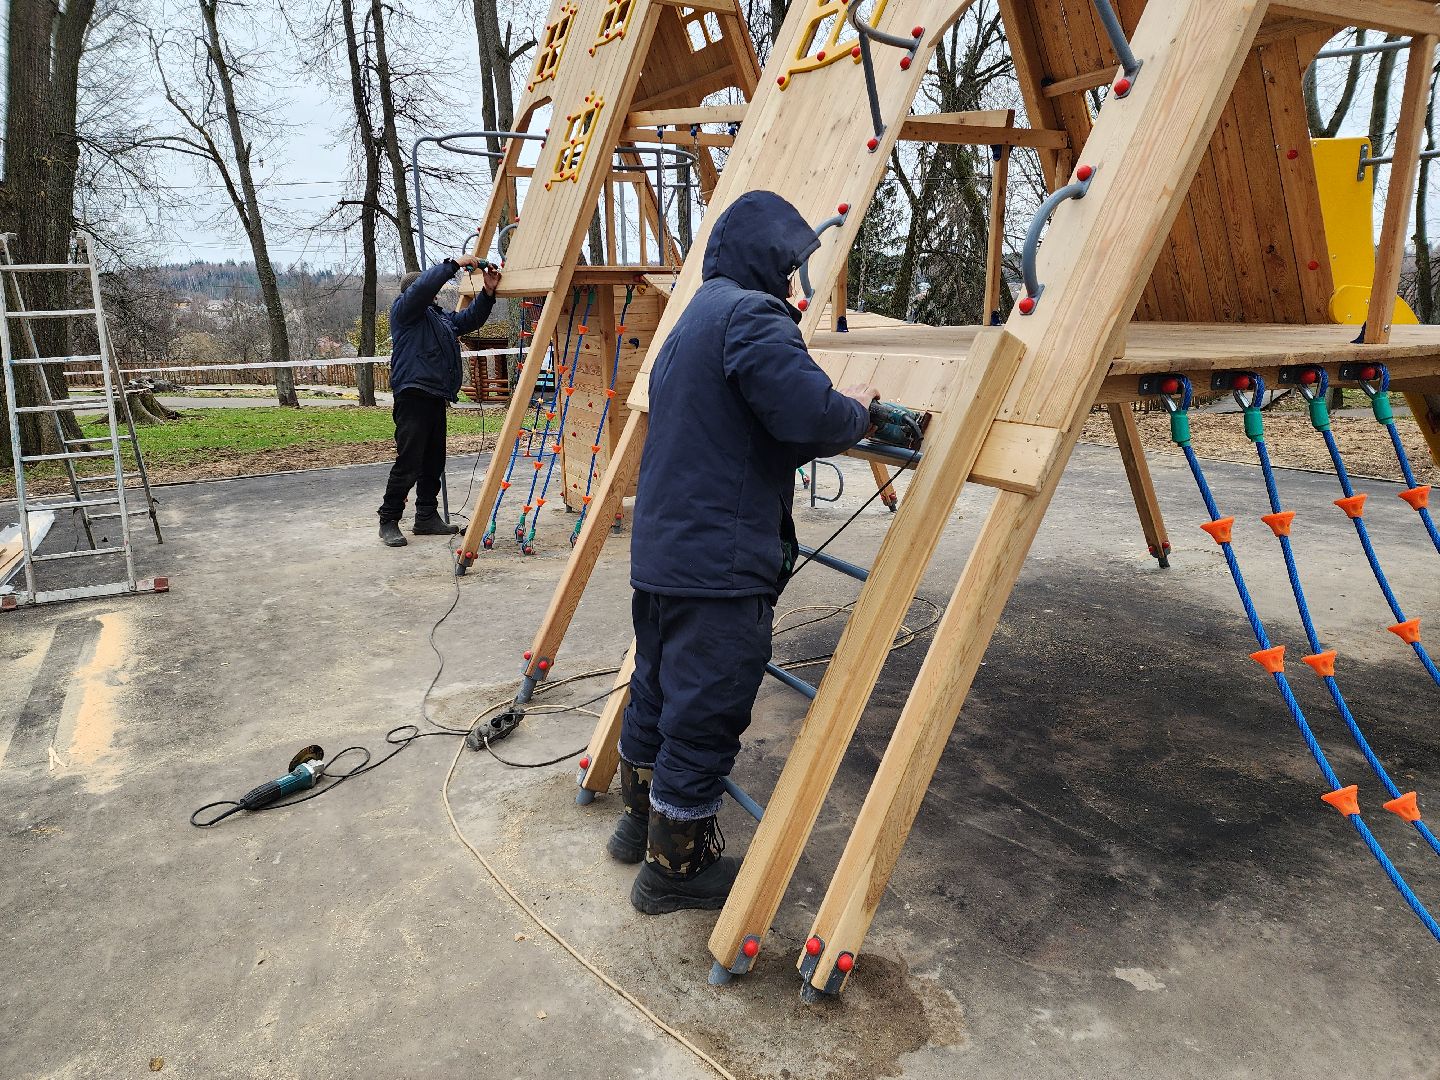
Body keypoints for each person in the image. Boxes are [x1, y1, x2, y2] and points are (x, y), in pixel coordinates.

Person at [608, 190, 879, 915]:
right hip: (716, 566)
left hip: (665, 556)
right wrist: (859, 408)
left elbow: (739, 424)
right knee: (707, 708)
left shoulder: (694, 319)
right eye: (788, 268)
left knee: (656, 690)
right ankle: (675, 868)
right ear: (766, 261)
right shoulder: (752, 316)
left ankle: (638, 823)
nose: (791, 283)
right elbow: (809, 414)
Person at [378, 254, 501, 547]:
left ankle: (426, 516)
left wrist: (487, 293)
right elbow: (423, 287)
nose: (433, 293)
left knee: (433, 461)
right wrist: (454, 264)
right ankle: (388, 519)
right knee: (409, 461)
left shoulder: (438, 317)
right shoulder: (405, 311)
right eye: (428, 289)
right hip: (412, 395)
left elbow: (468, 320)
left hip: (435, 396)